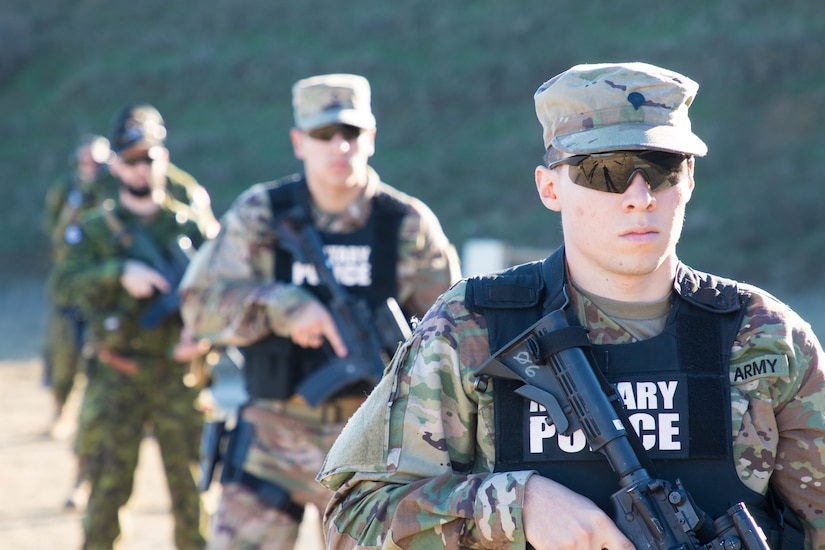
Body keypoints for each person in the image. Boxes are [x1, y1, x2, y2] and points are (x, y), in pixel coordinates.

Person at [318, 62, 825, 549]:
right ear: (549, 187)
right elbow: (353, 520)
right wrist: (518, 508)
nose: (639, 196)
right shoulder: (472, 327)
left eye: (661, 167)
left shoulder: (766, 337)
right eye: (606, 171)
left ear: (688, 180)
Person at [178, 73, 461, 549]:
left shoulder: (406, 225)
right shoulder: (262, 214)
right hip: (273, 446)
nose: (339, 146)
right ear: (298, 142)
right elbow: (197, 308)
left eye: (350, 133)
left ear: (369, 137)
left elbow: (455, 337)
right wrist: (278, 305)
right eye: (322, 134)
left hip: (373, 453)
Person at [54, 103, 215, 550]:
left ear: (164, 158)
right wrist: (118, 273)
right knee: (105, 497)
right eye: (132, 161)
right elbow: (63, 286)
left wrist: (200, 334)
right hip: (117, 375)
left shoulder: (191, 225)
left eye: (150, 158)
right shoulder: (94, 229)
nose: (142, 169)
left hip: (180, 378)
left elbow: (227, 294)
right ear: (116, 166)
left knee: (192, 499)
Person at [42, 133, 114, 423]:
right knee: (63, 354)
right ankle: (60, 408)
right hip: (70, 285)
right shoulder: (65, 189)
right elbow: (53, 231)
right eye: (84, 159)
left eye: (95, 160)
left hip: (105, 283)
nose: (89, 165)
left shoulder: (113, 189)